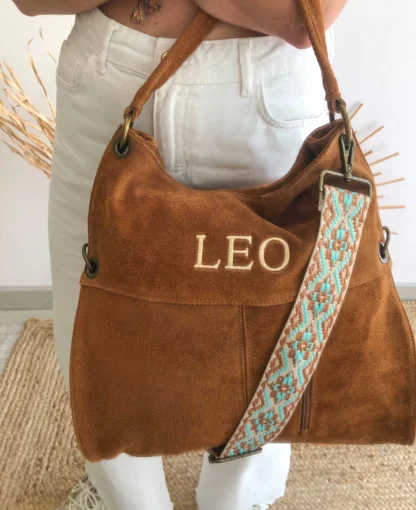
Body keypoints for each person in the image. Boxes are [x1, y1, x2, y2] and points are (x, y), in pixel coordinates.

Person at [14, 1, 349, 509]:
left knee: (268, 329)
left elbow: (302, 15)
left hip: (264, 90)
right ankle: (127, 501)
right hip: (110, 79)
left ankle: (237, 500)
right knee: (96, 327)